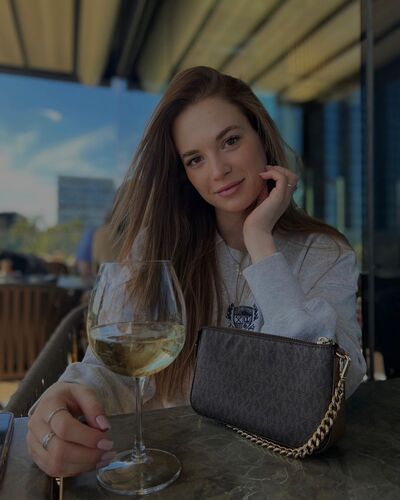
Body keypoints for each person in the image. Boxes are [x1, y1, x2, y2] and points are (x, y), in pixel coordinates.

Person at [27, 66, 366, 477]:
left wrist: (260, 239)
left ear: (262, 137)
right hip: (173, 468)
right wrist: (66, 397)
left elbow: (328, 389)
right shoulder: (156, 247)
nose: (218, 170)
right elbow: (108, 368)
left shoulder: (326, 253)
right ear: (184, 173)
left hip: (284, 476)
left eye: (231, 140)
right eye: (195, 159)